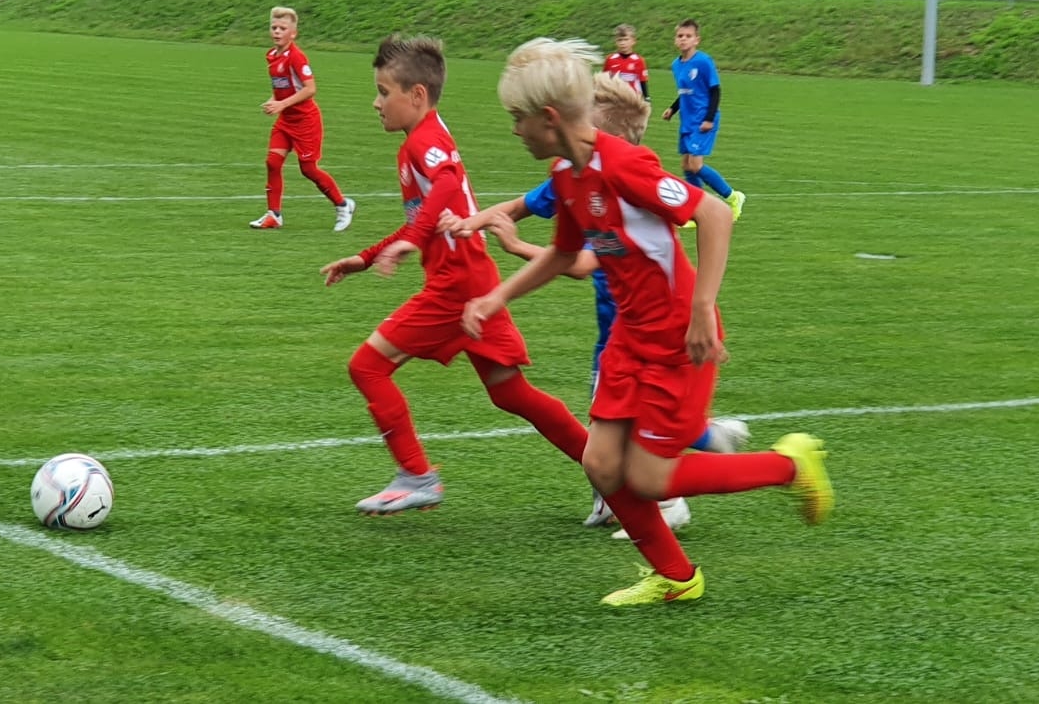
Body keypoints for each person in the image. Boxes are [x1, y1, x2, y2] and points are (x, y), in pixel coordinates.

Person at [464, 38, 834, 606]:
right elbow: (565, 255)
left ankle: (790, 466)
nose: (514, 130)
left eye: (518, 118)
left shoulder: (625, 166)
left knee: (650, 479)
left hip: (676, 339)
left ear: (549, 118)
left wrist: (703, 308)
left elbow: (714, 213)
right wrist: (497, 298)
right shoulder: (567, 174)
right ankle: (677, 577)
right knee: (601, 464)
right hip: (629, 338)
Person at [444, 73, 750, 540]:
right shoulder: (568, 175)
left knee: (623, 441)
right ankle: (701, 448)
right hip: (622, 330)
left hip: (644, 331)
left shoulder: (620, 175)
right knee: (615, 441)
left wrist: (514, 249)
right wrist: (475, 222)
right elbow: (529, 212)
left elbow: (582, 263)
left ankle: (665, 503)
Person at [318, 34, 591, 515]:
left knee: (367, 366)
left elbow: (444, 183)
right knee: (512, 393)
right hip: (473, 277)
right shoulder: (423, 139)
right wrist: (366, 257)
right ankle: (609, 473)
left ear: (417, 95)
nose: (376, 103)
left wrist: (415, 238)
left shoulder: (425, 141)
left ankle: (416, 475)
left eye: (383, 92)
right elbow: (422, 217)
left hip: (456, 285)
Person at [250, 6, 357, 232]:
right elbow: (285, 88)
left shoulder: (297, 57)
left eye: (282, 28)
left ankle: (343, 205)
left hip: (306, 122)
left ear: (293, 33)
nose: (277, 31)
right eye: (274, 27)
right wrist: (273, 100)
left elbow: (310, 88)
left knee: (308, 169)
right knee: (272, 162)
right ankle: (274, 215)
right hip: (286, 121)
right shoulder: (271, 55)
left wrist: (281, 104)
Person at [662, 18, 745, 223]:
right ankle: (697, 212)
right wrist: (672, 109)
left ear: (696, 40)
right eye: (680, 36)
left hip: (703, 119)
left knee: (695, 165)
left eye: (688, 36)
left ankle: (733, 197)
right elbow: (686, 92)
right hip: (687, 120)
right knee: (686, 165)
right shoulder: (676, 65)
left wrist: (709, 118)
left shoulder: (703, 61)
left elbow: (715, 91)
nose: (683, 39)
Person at [602, 24, 649, 103]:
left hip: (633, 101)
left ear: (633, 41)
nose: (622, 43)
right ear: (615, 41)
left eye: (626, 39)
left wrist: (647, 99)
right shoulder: (610, 59)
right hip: (614, 101)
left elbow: (643, 82)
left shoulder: (639, 61)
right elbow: (604, 81)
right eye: (619, 40)